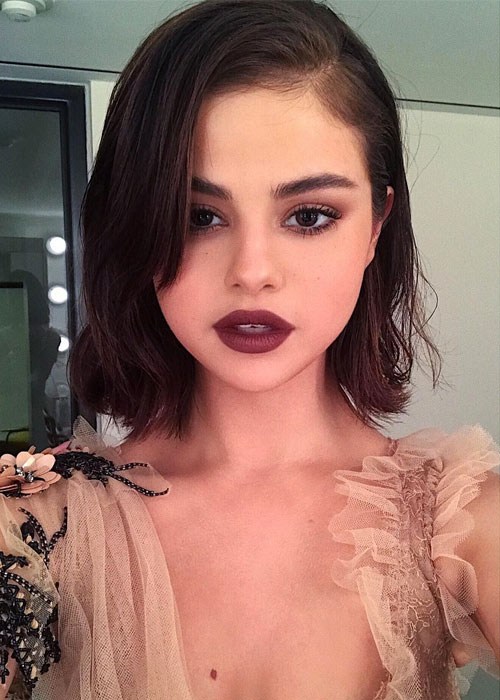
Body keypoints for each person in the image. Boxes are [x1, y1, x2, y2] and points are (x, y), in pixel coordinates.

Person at [0, 1, 498, 698]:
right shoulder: (37, 522)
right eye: (198, 216)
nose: (252, 270)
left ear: (375, 227)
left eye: (309, 215)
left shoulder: (463, 523)